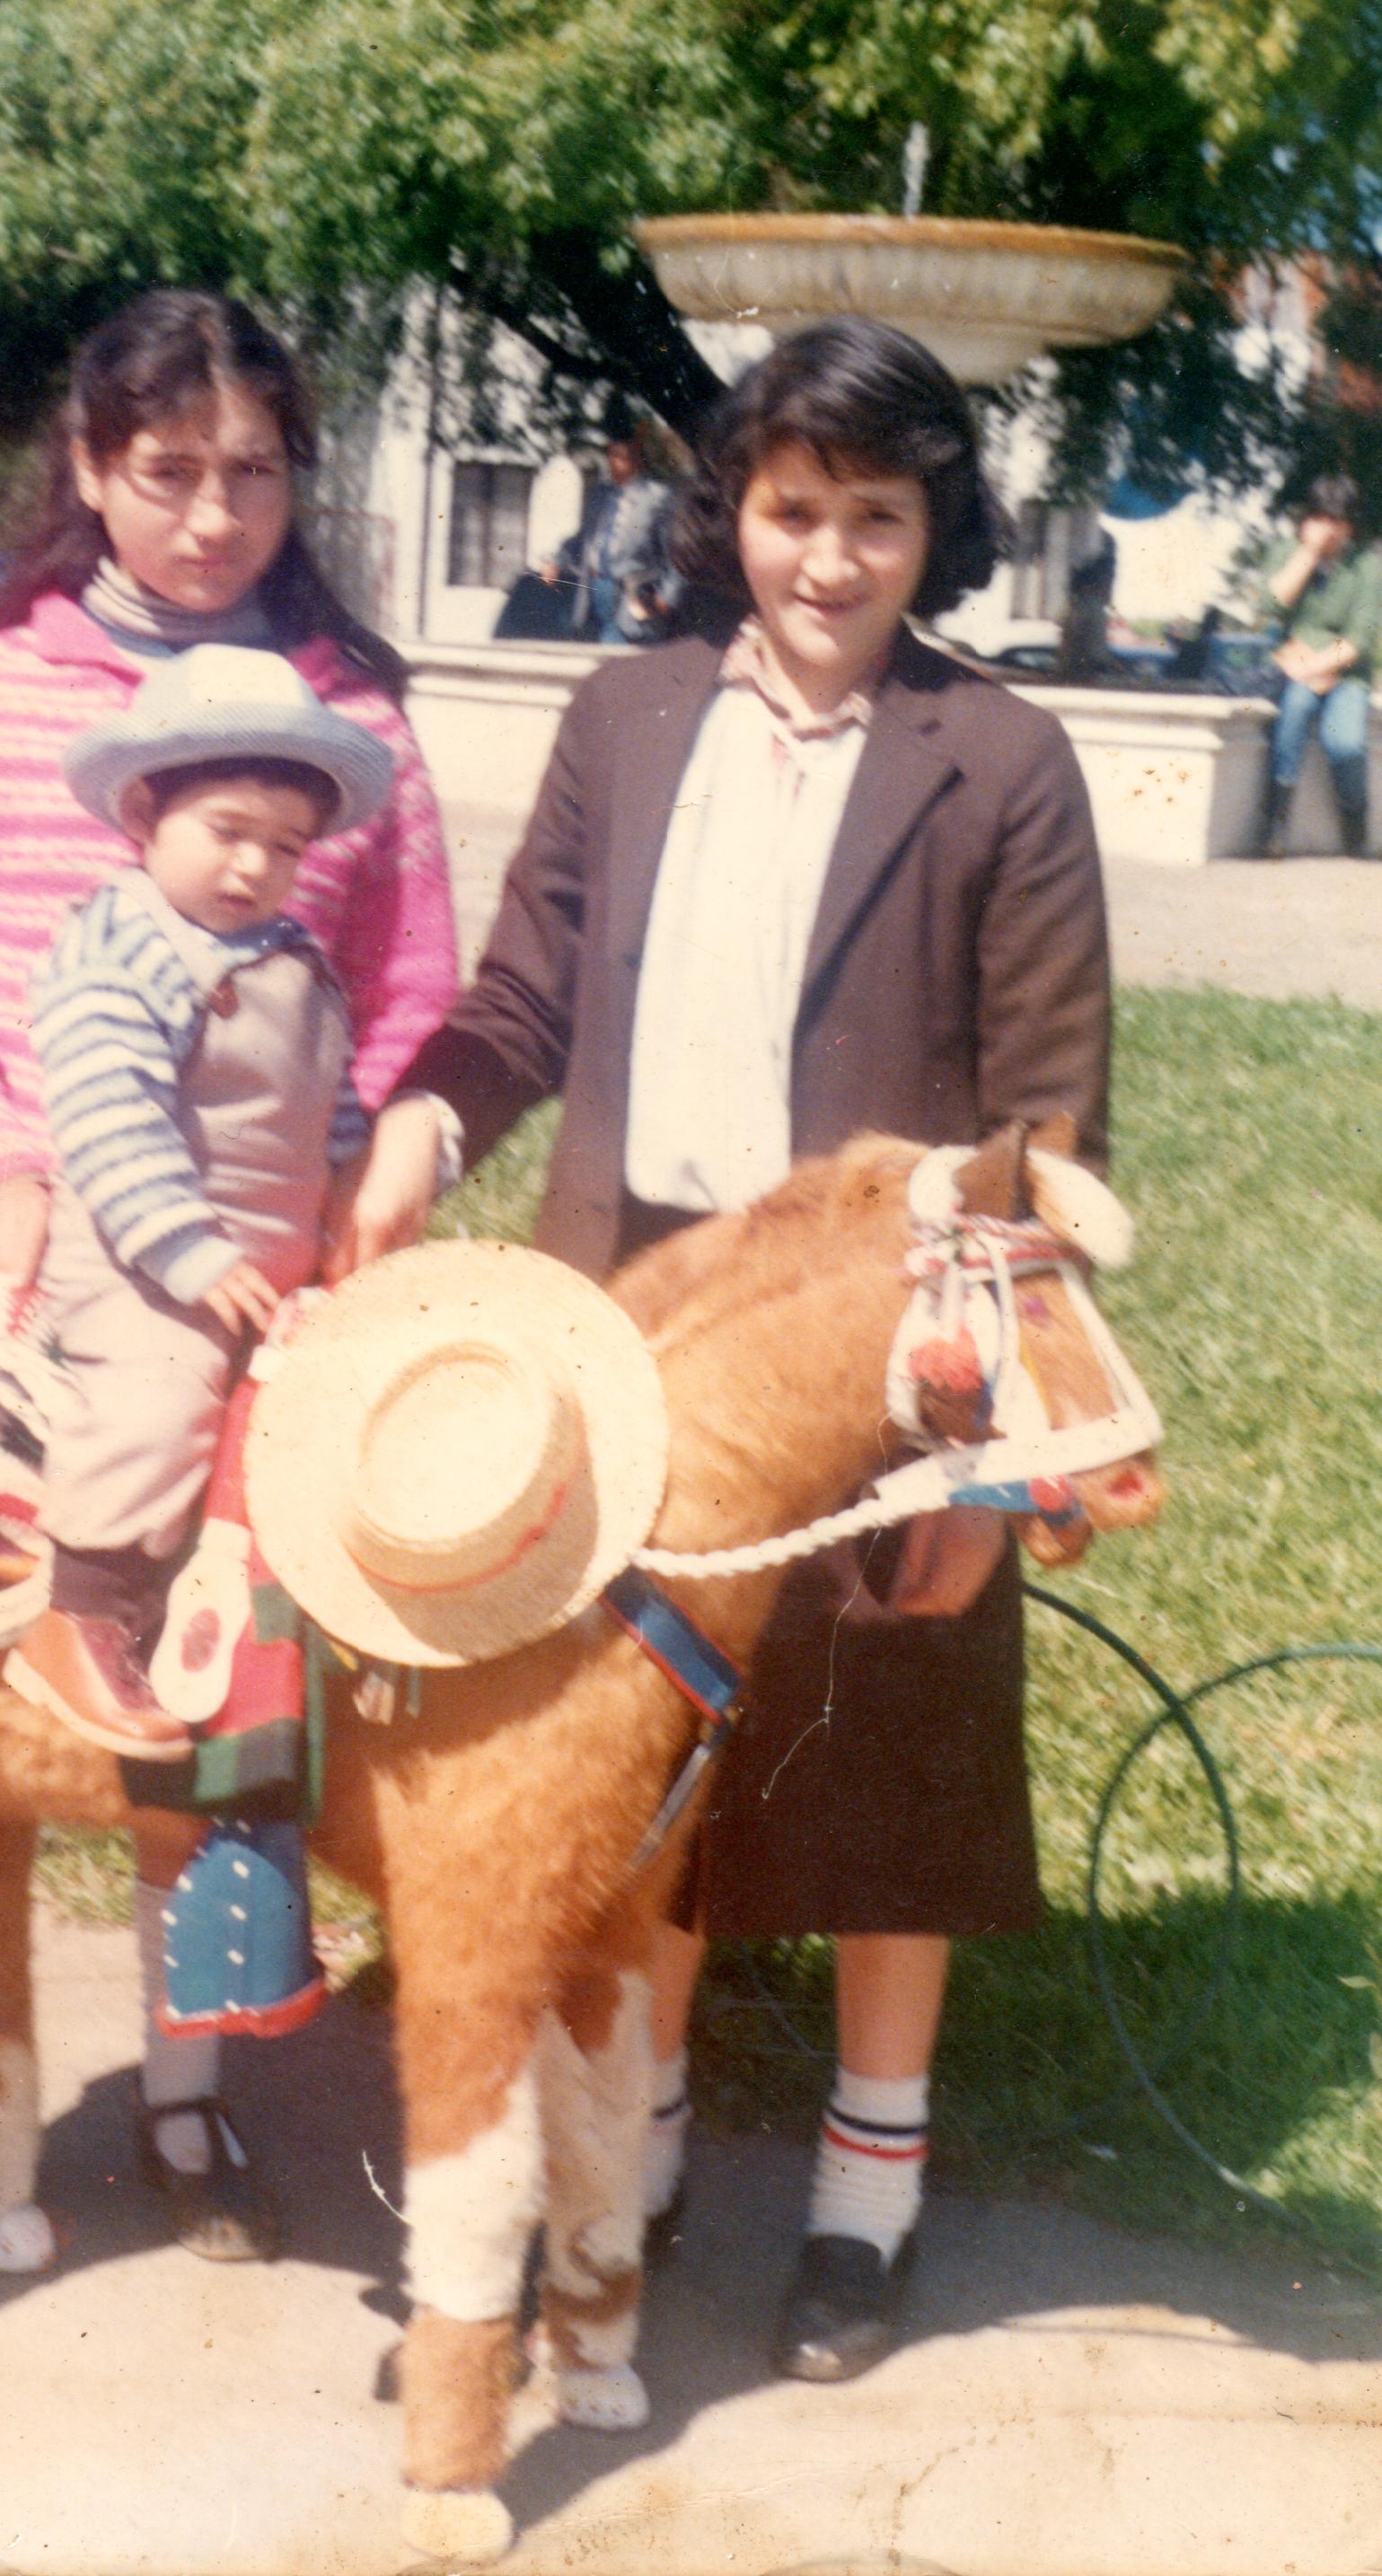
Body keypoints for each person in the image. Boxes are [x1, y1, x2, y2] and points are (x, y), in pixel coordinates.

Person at [334, 316, 1111, 2384]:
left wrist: (991, 1451)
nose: (831, 560)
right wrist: (422, 1118)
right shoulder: (626, 713)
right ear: (728, 511)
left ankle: (868, 2178)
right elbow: (515, 997)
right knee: (634, 1738)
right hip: (628, 1308)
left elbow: (1044, 1124)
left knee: (892, 1732)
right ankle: (642, 2131)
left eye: (876, 517)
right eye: (790, 511)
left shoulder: (1001, 762)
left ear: (933, 524)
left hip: (883, 1338)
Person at [0, 289, 459, 2261]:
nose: (212, 515)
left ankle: (192, 2095)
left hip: (267, 1283)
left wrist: (368, 1177)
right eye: (168, 472)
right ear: (92, 470)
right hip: (23, 1260)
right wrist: (0, 1186)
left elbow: (407, 998)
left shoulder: (351, 721)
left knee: (223, 1694)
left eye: (256, 473)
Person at [6, 646, 392, 1755]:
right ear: (144, 813)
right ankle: (81, 1613)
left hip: (271, 1271)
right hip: (147, 1266)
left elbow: (327, 1100)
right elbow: (107, 1113)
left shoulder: (293, 957)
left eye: (284, 847)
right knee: (159, 1399)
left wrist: (358, 1185)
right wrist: (183, 1249)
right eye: (227, 830)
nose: (253, 867)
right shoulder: (122, 943)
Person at [1257, 473, 1379, 857]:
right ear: (1308, 519)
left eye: (1338, 521)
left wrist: (1313, 669)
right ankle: (1275, 823)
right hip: (1296, 670)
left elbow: (1360, 638)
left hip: (1343, 673)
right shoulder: (1286, 552)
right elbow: (1272, 605)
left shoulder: (1367, 566)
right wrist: (1307, 555)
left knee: (1344, 744)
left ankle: (1354, 820)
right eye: (1322, 518)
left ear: (1350, 525)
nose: (1329, 530)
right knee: (1293, 712)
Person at [544, 413, 679, 645]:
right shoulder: (598, 496)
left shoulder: (657, 498)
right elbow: (582, 540)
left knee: (617, 661)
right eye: (611, 455)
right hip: (593, 593)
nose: (613, 462)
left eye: (621, 457)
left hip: (631, 598)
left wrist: (665, 599)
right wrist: (557, 560)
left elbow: (675, 555)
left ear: (637, 460)